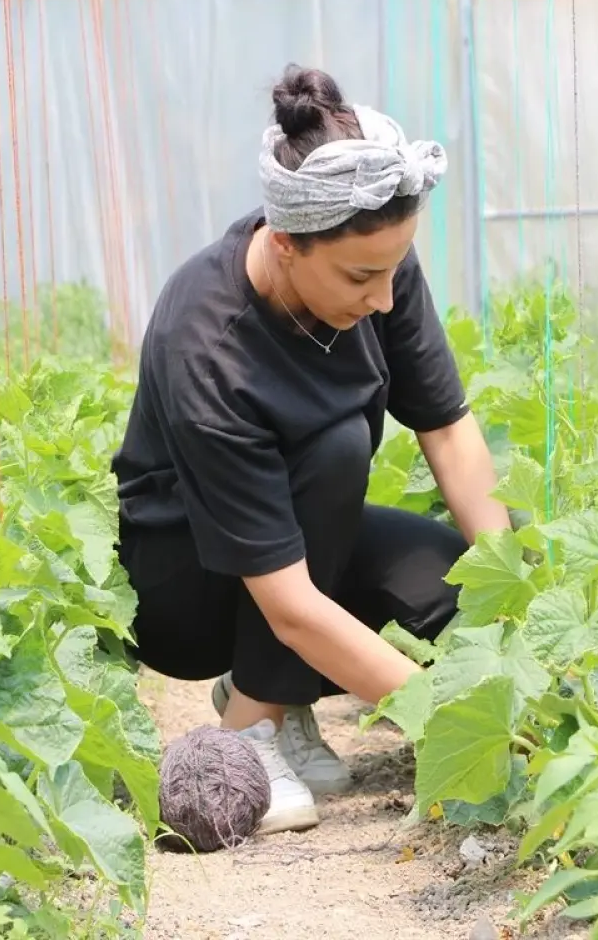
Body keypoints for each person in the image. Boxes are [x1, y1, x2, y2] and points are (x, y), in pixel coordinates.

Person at [111, 64, 510, 836]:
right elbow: (293, 609)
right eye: (364, 276)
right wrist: (458, 728)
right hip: (184, 580)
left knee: (453, 592)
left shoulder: (374, 260)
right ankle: (251, 731)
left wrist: (514, 589)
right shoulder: (210, 342)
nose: (385, 299)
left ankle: (270, 695)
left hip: (301, 535)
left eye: (395, 269)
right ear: (286, 242)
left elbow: (449, 427)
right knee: (332, 449)